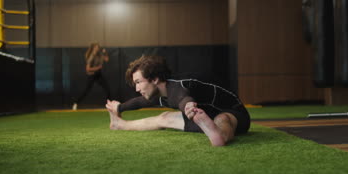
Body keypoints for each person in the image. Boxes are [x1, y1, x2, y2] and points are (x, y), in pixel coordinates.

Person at [105, 55, 250, 147]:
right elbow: (139, 102)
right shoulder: (159, 92)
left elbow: (182, 97)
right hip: (204, 114)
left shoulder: (176, 86)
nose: (136, 88)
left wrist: (188, 106)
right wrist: (119, 108)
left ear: (154, 79)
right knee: (164, 117)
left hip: (233, 112)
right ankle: (121, 124)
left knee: (222, 118)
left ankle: (220, 136)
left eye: (138, 82)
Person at [72, 42, 111, 110]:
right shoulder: (91, 56)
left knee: (107, 88)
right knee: (86, 90)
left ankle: (110, 105)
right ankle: (76, 103)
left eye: (98, 47)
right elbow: (88, 69)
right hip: (92, 74)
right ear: (93, 48)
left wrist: (105, 53)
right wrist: (97, 68)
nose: (97, 49)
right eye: (96, 47)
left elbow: (107, 59)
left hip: (98, 74)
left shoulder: (100, 54)